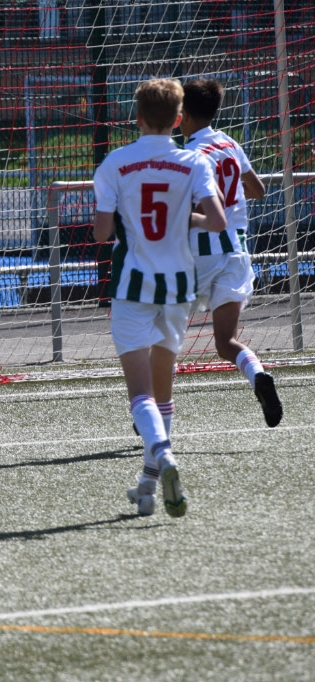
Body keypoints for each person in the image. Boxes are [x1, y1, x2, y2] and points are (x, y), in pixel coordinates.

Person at [93, 78, 227, 518]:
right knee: (163, 385)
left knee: (141, 393)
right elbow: (217, 222)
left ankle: (164, 456)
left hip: (132, 286)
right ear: (177, 118)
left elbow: (102, 233)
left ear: (137, 118)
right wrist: (181, 218)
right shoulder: (194, 161)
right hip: (178, 286)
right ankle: (148, 485)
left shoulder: (115, 162)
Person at [181, 78, 282, 428]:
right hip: (236, 254)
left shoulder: (190, 154)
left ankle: (152, 407)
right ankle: (258, 376)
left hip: (200, 255)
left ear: (184, 115)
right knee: (226, 343)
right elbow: (258, 189)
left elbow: (199, 206)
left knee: (160, 332)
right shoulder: (229, 143)